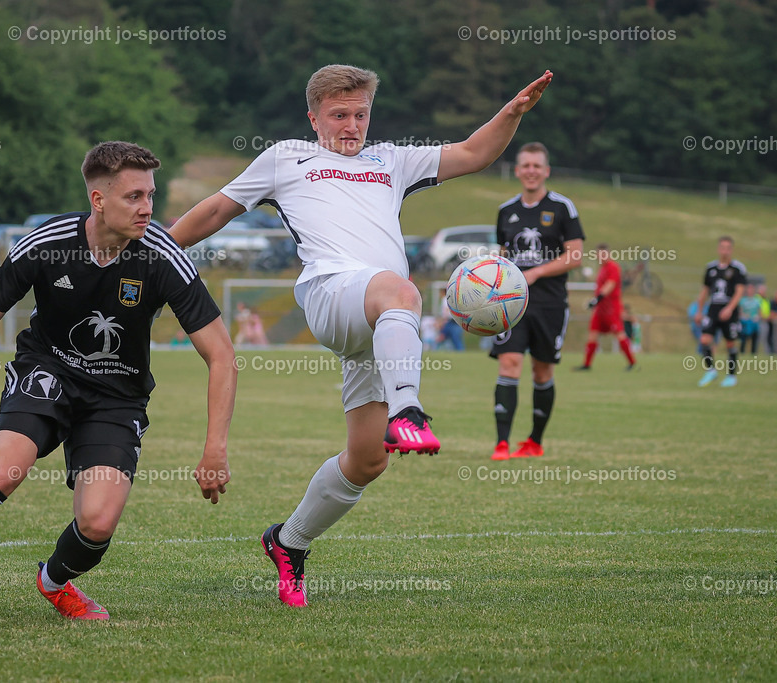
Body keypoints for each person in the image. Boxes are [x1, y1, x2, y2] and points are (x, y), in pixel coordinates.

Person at [170, 64, 554, 607]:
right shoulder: (286, 158)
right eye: (339, 115)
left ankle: (289, 540)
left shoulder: (391, 160)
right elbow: (214, 210)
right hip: (331, 295)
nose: (352, 125)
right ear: (313, 118)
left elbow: (473, 153)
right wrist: (156, 251)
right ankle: (409, 412)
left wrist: (511, 113)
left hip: (378, 325)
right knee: (402, 292)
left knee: (367, 459)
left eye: (360, 114)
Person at [0, 141, 235, 631]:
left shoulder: (161, 256)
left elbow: (221, 355)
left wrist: (214, 449)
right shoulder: (47, 242)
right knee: (4, 473)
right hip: (47, 372)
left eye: (150, 195)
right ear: (98, 200)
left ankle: (54, 582)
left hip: (117, 396)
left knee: (97, 523)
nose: (148, 208)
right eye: (134, 196)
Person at [490, 142, 584, 461]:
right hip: (511, 304)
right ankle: (501, 443)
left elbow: (575, 255)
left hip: (550, 303)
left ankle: (534, 441)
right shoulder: (506, 210)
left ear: (546, 171)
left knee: (542, 371)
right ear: (517, 171)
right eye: (525, 165)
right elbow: (502, 255)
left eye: (536, 166)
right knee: (509, 362)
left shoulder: (562, 207)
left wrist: (536, 273)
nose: (530, 171)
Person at [694, 236, 746, 387]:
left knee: (730, 343)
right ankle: (710, 370)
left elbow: (739, 291)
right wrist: (699, 311)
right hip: (713, 308)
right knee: (704, 339)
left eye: (728, 248)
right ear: (718, 249)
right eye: (722, 247)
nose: (725, 251)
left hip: (730, 309)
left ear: (731, 250)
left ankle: (731, 376)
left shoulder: (738, 269)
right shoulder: (710, 268)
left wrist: (729, 308)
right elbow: (704, 291)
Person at [575, 244, 636, 371]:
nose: (600, 256)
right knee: (593, 334)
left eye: (603, 254)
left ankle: (632, 362)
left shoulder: (613, 267)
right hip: (600, 309)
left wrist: (597, 299)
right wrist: (595, 301)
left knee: (620, 334)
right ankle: (587, 364)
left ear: (608, 254)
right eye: (598, 254)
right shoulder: (602, 269)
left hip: (611, 309)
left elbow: (610, 285)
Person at [737, 283, 761, 354]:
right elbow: (740, 312)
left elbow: (759, 312)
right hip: (745, 322)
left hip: (754, 322)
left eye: (751, 289)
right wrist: (744, 316)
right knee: (743, 338)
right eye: (749, 289)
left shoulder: (757, 300)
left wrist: (757, 317)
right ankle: (742, 352)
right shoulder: (743, 300)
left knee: (754, 338)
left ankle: (753, 353)